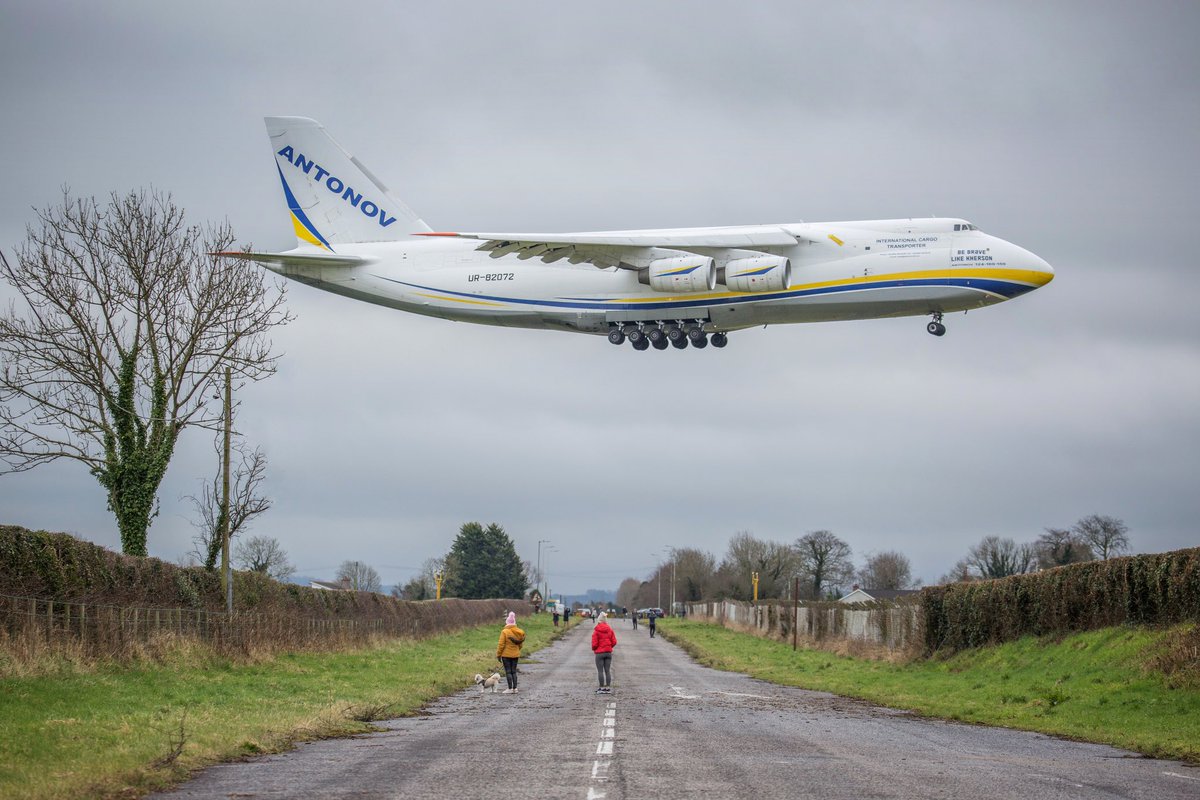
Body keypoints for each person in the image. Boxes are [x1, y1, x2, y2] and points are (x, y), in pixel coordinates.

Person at [496, 611, 526, 694]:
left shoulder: (504, 632)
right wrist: (516, 650)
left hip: (506, 655)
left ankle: (509, 688)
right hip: (515, 655)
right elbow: (520, 645)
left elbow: (501, 645)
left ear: (507, 623)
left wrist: (498, 655)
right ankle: (515, 688)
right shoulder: (520, 632)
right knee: (514, 671)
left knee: (508, 672)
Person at [591, 611, 617, 694]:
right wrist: (609, 647)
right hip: (608, 652)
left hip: (599, 653)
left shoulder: (596, 631)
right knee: (607, 670)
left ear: (599, 620)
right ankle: (608, 688)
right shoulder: (610, 630)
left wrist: (595, 649)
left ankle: (601, 688)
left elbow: (594, 644)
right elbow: (614, 641)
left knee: (600, 671)